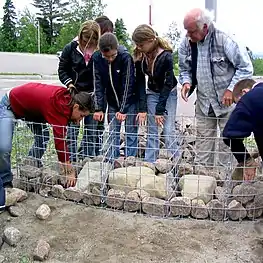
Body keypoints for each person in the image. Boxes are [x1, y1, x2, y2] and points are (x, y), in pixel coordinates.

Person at [179, 8, 253, 171]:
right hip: (204, 103)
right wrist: (186, 82)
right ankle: (203, 180)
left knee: (228, 142)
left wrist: (231, 89)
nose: (188, 35)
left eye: (191, 31)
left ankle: (225, 183)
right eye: (186, 31)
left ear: (204, 27)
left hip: (227, 104)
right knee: (203, 143)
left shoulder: (224, 38)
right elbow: (184, 68)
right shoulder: (187, 42)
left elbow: (246, 68)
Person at [0, 82, 94, 191]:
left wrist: (65, 164)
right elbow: (60, 141)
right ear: (76, 106)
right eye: (81, 116)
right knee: (4, 148)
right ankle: (5, 181)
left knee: (43, 137)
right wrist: (69, 171)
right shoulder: (59, 105)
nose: (79, 121)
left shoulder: (68, 101)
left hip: (30, 110)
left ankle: (30, 167)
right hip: (10, 105)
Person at [132, 24, 178, 163]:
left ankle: (176, 160)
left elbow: (168, 83)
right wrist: (142, 107)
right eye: (137, 44)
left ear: (151, 40)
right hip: (152, 91)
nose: (139, 47)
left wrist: (160, 109)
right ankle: (149, 162)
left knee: (168, 129)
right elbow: (140, 81)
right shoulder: (141, 56)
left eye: (141, 44)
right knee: (152, 128)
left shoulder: (166, 56)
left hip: (169, 92)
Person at [58, 20, 100, 162]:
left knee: (91, 131)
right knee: (72, 131)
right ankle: (72, 160)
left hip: (92, 95)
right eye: (86, 38)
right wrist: (69, 83)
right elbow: (62, 70)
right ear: (81, 35)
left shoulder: (99, 51)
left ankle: (88, 161)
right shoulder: (70, 48)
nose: (89, 42)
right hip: (75, 94)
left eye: (93, 39)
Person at [93, 32, 138, 159]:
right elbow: (98, 84)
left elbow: (128, 84)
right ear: (101, 52)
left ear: (116, 48)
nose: (110, 59)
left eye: (113, 56)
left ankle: (130, 162)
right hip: (112, 101)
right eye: (106, 57)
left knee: (130, 132)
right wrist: (99, 108)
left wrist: (123, 109)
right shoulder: (97, 59)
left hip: (129, 102)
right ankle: (113, 161)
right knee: (113, 133)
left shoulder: (125, 57)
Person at [223, 79, 263, 181]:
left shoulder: (249, 99)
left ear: (244, 92)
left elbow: (229, 136)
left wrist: (246, 160)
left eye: (238, 103)